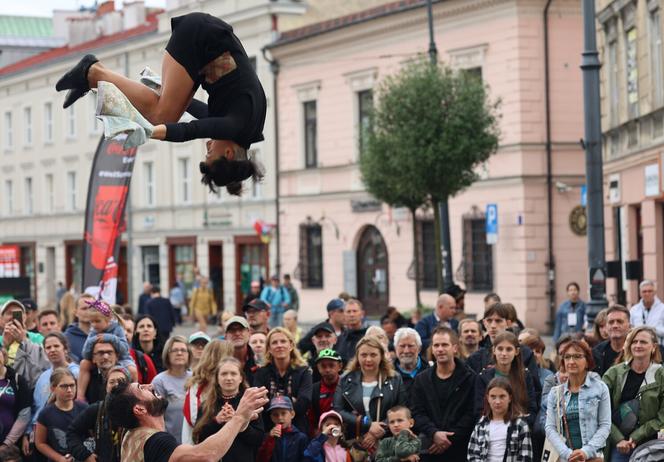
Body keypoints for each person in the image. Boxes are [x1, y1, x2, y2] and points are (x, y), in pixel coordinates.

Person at [56, 12, 266, 194]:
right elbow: (190, 131)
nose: (208, 144)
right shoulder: (237, 124)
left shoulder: (243, 126)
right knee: (162, 116)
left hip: (205, 43)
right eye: (210, 152)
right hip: (199, 41)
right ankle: (92, 73)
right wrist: (149, 131)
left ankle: (93, 77)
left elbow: (202, 114)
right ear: (229, 154)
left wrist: (164, 91)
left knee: (165, 112)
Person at [106, 379, 269, 462]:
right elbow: (205, 455)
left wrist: (241, 421)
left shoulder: (129, 435)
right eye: (142, 388)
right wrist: (239, 417)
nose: (150, 385)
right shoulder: (156, 441)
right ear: (140, 409)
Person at [410, 326, 476, 461]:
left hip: (460, 450)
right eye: (436, 345)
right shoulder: (422, 379)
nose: (440, 349)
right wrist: (434, 433)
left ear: (455, 348)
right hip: (430, 449)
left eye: (445, 345)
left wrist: (448, 439)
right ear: (432, 349)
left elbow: (472, 413)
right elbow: (417, 412)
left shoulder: (470, 378)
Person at [333, 336, 406, 452]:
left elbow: (402, 408)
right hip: (355, 442)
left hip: (388, 443)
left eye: (373, 355)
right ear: (357, 356)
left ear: (381, 356)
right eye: (363, 355)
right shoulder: (345, 379)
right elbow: (337, 410)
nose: (368, 359)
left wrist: (379, 430)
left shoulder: (395, 378)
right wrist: (368, 425)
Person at [603, 326, 664, 461]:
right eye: (634, 342)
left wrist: (638, 435)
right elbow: (601, 410)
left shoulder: (661, 375)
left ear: (653, 347)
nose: (638, 345)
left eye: (643, 342)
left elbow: (662, 417)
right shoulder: (614, 373)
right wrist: (618, 438)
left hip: (652, 444)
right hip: (619, 443)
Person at [544, 339, 610, 462]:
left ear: (587, 361)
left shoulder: (600, 388)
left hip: (592, 457)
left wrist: (586, 452)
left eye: (577, 356)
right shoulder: (555, 392)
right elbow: (550, 427)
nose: (571, 361)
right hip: (564, 457)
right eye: (567, 357)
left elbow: (605, 426)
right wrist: (567, 453)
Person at [192, 357, 265, 462]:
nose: (229, 378)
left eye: (233, 374)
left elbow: (258, 439)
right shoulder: (206, 405)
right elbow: (198, 438)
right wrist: (216, 421)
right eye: (224, 374)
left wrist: (240, 423)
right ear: (217, 378)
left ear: (241, 378)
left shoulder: (250, 403)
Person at [253, 327, 312, 433]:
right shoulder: (261, 373)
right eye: (274, 343)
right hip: (268, 431)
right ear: (269, 349)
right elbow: (259, 403)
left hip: (298, 432)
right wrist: (291, 400)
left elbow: (303, 403)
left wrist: (273, 401)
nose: (279, 345)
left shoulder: (304, 372)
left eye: (283, 341)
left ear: (291, 345)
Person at [28, 333, 80, 452]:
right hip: (40, 432)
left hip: (66, 433)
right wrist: (29, 432)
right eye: (48, 347)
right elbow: (37, 407)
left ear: (65, 349)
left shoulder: (77, 373)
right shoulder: (43, 377)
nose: (52, 350)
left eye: (56, 346)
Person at [66, 366, 130, 462]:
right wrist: (85, 455)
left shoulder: (137, 409)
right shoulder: (96, 410)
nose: (116, 385)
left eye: (121, 381)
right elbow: (72, 433)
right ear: (106, 386)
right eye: (112, 382)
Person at [474, 331, 538, 427]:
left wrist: (521, 423)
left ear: (516, 351)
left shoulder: (525, 376)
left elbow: (532, 409)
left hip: (520, 429)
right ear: (494, 350)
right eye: (500, 349)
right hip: (490, 428)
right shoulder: (483, 376)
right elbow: (479, 410)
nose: (504, 353)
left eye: (509, 349)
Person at [77, 299, 136, 401]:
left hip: (121, 359)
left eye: (97, 321)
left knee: (132, 370)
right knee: (84, 363)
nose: (94, 325)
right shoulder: (93, 332)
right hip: (99, 359)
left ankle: (133, 394)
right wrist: (93, 341)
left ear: (108, 319)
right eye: (92, 322)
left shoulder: (118, 329)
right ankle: (80, 395)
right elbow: (85, 354)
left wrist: (110, 338)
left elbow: (125, 350)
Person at [467, 377, 533, 462]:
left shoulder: (520, 425)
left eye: (502, 397)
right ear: (488, 398)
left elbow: (526, 456)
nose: (497, 402)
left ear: (510, 398)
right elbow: (472, 454)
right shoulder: (481, 425)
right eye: (493, 397)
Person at [182, 339, 235, 444]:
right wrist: (218, 419)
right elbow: (193, 418)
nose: (232, 360)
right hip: (198, 445)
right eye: (229, 355)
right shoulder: (198, 384)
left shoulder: (228, 382)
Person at [34, 368, 88, 462]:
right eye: (64, 386)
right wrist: (59, 458)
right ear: (53, 388)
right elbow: (40, 443)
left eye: (72, 385)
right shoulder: (46, 414)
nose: (69, 390)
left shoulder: (84, 408)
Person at [151, 335, 193, 444]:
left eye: (183, 350)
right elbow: (154, 417)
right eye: (174, 350)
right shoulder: (159, 381)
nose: (179, 353)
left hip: (194, 442)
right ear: (167, 354)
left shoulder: (196, 378)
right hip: (170, 443)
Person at [0, 299, 49, 388]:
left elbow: (43, 366)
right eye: (9, 313)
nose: (13, 317)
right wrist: (4, 346)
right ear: (1, 319)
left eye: (17, 313)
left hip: (34, 387)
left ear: (25, 317)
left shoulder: (38, 338)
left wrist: (24, 341)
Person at [257, 396, 308, 462]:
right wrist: (270, 440)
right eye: (275, 415)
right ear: (271, 417)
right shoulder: (267, 437)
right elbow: (261, 459)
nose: (280, 417)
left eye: (283, 413)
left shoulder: (301, 438)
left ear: (292, 414)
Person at [0, 347, 32, 450]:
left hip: (10, 446)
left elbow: (25, 413)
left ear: (3, 355)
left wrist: (6, 444)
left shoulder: (18, 379)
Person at [310, 349, 343, 434]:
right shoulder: (314, 390)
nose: (327, 369)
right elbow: (311, 418)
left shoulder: (349, 386)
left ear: (340, 366)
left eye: (331, 365)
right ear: (318, 368)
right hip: (322, 435)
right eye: (323, 366)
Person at [593, 305, 631, 376]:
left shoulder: (637, 350)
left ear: (629, 325)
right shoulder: (597, 352)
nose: (615, 325)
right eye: (611, 322)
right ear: (607, 326)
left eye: (620, 322)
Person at [86, 336, 123, 403]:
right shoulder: (87, 378)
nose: (105, 357)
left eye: (109, 352)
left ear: (117, 357)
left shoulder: (124, 377)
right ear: (93, 358)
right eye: (101, 353)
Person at [393, 327, 428, 396]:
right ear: (395, 348)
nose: (406, 351)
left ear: (419, 348)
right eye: (402, 346)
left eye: (410, 346)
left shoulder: (430, 371)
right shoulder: (388, 374)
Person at [225, 316, 259, 383]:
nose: (237, 333)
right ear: (226, 336)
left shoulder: (260, 360)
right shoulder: (219, 361)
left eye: (241, 329)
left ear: (249, 333)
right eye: (232, 330)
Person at [630, 279, 664, 344]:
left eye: (650, 291)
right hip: (639, 347)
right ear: (640, 293)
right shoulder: (633, 310)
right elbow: (630, 330)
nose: (647, 294)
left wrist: (654, 330)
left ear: (654, 292)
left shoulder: (662, 308)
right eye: (644, 291)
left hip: (659, 347)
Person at [64, 293, 95, 361]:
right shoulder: (66, 338)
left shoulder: (103, 333)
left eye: (91, 308)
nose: (88, 312)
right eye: (84, 308)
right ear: (76, 312)